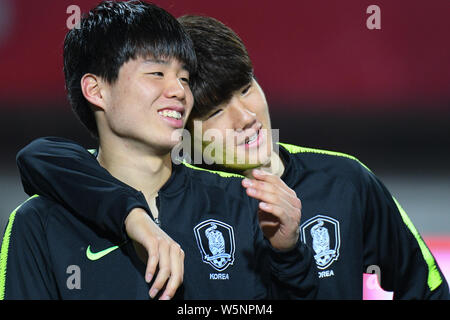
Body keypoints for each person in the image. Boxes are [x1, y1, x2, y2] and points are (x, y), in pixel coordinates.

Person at [14, 14, 449, 299]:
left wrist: (288, 253)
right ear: (180, 128)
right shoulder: (199, 201)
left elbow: (426, 288)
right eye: (215, 111)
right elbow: (43, 156)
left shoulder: (343, 179)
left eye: (246, 89)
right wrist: (134, 216)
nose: (245, 118)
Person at [0, 1, 317, 300]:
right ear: (96, 90)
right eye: (156, 73)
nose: (179, 91)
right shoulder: (38, 225)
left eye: (184, 77)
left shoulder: (242, 204)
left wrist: (288, 254)